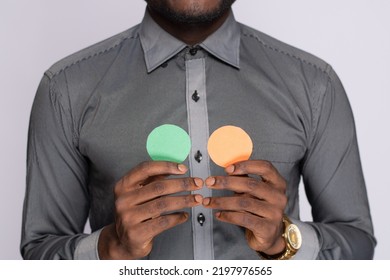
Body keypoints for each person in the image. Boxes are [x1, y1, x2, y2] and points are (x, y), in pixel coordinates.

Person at [21, 0, 376, 260]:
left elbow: (358, 244)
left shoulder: (315, 85)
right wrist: (110, 247)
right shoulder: (65, 89)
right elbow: (39, 253)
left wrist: (283, 241)